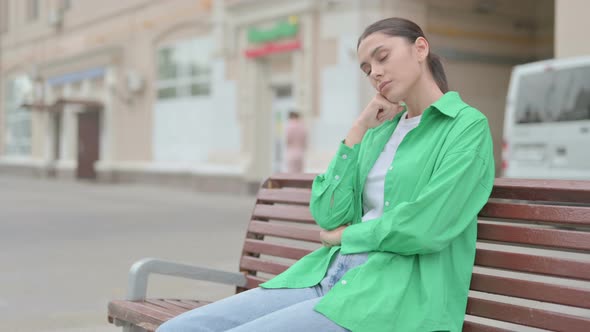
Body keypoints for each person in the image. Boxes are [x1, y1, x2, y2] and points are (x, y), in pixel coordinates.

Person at [157, 17, 495, 332]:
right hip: (328, 275)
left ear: (420, 49)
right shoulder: (380, 132)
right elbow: (329, 213)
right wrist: (358, 129)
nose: (375, 72)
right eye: (367, 68)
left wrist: (349, 237)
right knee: (175, 329)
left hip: (391, 295)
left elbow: (427, 225)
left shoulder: (466, 127)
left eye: (382, 57)